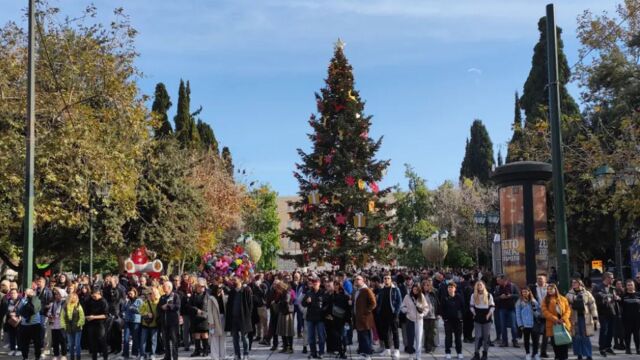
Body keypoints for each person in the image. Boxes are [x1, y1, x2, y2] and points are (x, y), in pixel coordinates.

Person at [566, 279, 598, 360]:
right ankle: (579, 354)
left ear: (580, 284)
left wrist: (595, 317)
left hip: (585, 318)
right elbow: (566, 306)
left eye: (575, 282)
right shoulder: (569, 294)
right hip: (574, 318)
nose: (573, 284)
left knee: (585, 336)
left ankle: (588, 355)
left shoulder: (587, 293)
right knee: (576, 337)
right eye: (572, 282)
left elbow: (592, 305)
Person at [224, 276, 253, 360]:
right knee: (235, 338)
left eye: (235, 280)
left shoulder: (246, 290)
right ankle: (237, 355)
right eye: (233, 280)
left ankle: (246, 354)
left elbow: (250, 305)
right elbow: (229, 305)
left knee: (244, 338)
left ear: (241, 280)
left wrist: (248, 316)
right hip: (233, 319)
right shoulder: (232, 292)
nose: (233, 281)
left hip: (243, 318)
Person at [375, 273, 402, 358]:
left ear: (391, 280)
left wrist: (396, 313)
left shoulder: (395, 289)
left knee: (395, 332)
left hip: (392, 314)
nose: (386, 280)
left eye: (388, 278)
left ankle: (397, 350)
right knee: (385, 332)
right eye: (385, 278)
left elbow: (399, 302)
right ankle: (387, 349)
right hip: (383, 314)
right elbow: (379, 302)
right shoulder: (381, 290)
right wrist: (378, 312)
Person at [541, 284, 571, 360]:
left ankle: (564, 358)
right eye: (548, 289)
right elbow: (545, 312)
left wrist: (563, 319)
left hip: (563, 324)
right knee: (556, 344)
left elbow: (568, 310)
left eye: (551, 289)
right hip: (553, 325)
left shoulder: (563, 299)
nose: (549, 291)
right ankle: (557, 357)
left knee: (564, 344)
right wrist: (555, 319)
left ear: (555, 289)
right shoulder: (545, 300)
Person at [303, 276, 329, 359]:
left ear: (319, 283)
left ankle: (321, 352)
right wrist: (307, 301)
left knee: (321, 336)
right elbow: (303, 303)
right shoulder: (309, 292)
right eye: (313, 282)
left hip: (320, 318)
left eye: (316, 282)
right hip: (310, 317)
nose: (315, 283)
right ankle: (313, 352)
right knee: (311, 337)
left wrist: (323, 311)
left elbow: (327, 304)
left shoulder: (323, 292)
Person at [401, 284, 428, 360]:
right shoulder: (407, 297)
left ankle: (418, 355)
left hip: (419, 321)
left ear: (419, 290)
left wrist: (422, 314)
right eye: (414, 289)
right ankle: (410, 355)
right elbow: (402, 307)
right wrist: (407, 311)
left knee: (419, 339)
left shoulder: (421, 296)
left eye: (416, 289)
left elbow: (426, 307)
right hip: (410, 320)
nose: (415, 291)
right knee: (410, 338)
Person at [595, 272, 619, 357]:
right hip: (602, 312)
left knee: (611, 331)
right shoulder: (598, 287)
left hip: (612, 312)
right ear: (606, 278)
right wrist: (606, 298)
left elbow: (614, 298)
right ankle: (602, 348)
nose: (613, 279)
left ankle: (608, 347)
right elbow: (597, 298)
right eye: (612, 278)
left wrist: (616, 298)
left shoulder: (612, 288)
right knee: (604, 331)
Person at [353, 274, 376, 359]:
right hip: (358, 318)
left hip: (365, 319)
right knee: (361, 336)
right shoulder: (358, 290)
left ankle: (367, 354)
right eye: (355, 279)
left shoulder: (366, 290)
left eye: (358, 279)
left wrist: (366, 312)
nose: (356, 281)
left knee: (366, 337)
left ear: (363, 281)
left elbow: (373, 303)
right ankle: (362, 353)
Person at [440, 282, 465, 360]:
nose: (450, 289)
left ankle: (459, 352)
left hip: (458, 321)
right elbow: (441, 309)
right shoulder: (444, 298)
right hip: (448, 321)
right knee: (448, 337)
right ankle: (448, 352)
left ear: (455, 288)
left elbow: (463, 308)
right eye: (449, 287)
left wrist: (461, 318)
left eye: (451, 287)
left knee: (458, 337)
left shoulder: (459, 297)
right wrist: (445, 318)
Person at [470, 281, 494, 360]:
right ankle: (476, 353)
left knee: (486, 337)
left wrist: (489, 314)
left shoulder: (488, 295)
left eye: (481, 285)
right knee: (477, 336)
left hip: (486, 317)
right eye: (478, 285)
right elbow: (471, 306)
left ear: (484, 286)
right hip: (478, 316)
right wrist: (474, 313)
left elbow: (492, 306)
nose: (479, 286)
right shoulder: (473, 295)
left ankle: (485, 353)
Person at [494, 275, 519, 348]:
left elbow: (518, 295)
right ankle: (504, 341)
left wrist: (510, 296)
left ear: (504, 280)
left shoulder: (513, 286)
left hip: (511, 308)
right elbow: (494, 298)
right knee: (503, 325)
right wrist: (500, 297)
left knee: (513, 326)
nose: (497, 282)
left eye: (499, 280)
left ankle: (515, 341)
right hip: (502, 309)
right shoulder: (497, 288)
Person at [515, 287, 540, 360]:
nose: (525, 293)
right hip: (525, 324)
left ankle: (535, 353)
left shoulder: (533, 301)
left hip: (534, 324)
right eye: (523, 292)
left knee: (535, 340)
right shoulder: (519, 302)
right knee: (526, 340)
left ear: (529, 292)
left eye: (526, 292)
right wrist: (520, 325)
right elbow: (518, 314)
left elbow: (538, 313)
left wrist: (534, 310)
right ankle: (527, 353)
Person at [158, 280, 181, 360]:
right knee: (165, 341)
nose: (163, 287)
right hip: (164, 322)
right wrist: (161, 307)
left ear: (169, 287)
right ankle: (167, 356)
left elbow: (177, 306)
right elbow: (158, 307)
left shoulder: (175, 296)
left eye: (164, 286)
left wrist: (168, 306)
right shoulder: (162, 297)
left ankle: (175, 357)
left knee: (174, 341)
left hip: (173, 323)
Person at [328, 280, 351, 359]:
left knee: (343, 336)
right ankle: (340, 350)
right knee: (337, 336)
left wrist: (348, 320)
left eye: (337, 285)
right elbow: (329, 307)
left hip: (343, 319)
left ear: (340, 286)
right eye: (334, 285)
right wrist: (329, 315)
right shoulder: (332, 295)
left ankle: (343, 352)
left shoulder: (345, 296)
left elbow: (348, 309)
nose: (335, 286)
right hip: (334, 319)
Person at [17, 288, 43, 360]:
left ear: (33, 293)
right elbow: (19, 309)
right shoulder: (23, 300)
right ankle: (25, 357)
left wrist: (30, 300)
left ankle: (37, 357)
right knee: (24, 343)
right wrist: (24, 299)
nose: (27, 294)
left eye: (29, 293)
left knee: (37, 342)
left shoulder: (36, 300)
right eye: (26, 292)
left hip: (35, 324)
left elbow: (34, 309)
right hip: (24, 325)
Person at [85, 287, 109, 360]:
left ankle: (105, 357)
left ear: (99, 293)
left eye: (94, 296)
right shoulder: (90, 300)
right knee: (93, 343)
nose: (93, 297)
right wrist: (87, 317)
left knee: (102, 342)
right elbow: (87, 311)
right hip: (91, 324)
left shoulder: (103, 301)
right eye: (92, 296)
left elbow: (105, 315)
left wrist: (94, 317)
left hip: (100, 324)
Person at [189, 278, 211, 357]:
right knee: (197, 334)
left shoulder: (207, 295)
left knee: (204, 334)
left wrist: (203, 312)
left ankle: (205, 350)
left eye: (202, 286)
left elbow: (208, 307)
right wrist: (196, 310)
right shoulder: (193, 295)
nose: (201, 288)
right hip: (195, 317)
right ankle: (197, 350)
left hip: (204, 318)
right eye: (199, 286)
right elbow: (189, 306)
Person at [61, 292, 86, 360]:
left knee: (77, 345)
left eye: (74, 297)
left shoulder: (78, 306)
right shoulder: (65, 306)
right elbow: (62, 317)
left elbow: (82, 317)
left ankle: (78, 358)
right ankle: (72, 358)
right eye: (71, 297)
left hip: (77, 328)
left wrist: (78, 324)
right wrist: (64, 326)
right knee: (70, 345)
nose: (73, 298)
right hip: (69, 328)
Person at [531, 274, 550, 358]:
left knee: (546, 335)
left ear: (545, 280)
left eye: (541, 279)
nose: (540, 280)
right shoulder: (532, 288)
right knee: (536, 334)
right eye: (538, 279)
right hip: (536, 314)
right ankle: (535, 352)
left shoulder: (550, 288)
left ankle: (543, 352)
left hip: (547, 314)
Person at [121, 287, 143, 360]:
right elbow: (123, 309)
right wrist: (125, 303)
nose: (130, 294)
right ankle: (125, 354)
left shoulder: (139, 300)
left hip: (135, 321)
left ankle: (135, 353)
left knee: (135, 338)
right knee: (126, 338)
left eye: (131, 293)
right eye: (129, 293)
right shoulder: (127, 301)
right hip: (127, 320)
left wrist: (132, 308)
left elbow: (141, 311)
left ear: (135, 293)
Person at [206, 284, 227, 360]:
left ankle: (222, 356)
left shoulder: (223, 297)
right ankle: (215, 357)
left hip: (223, 319)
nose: (221, 289)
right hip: (214, 320)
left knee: (223, 339)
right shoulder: (211, 298)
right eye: (219, 288)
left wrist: (223, 296)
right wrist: (211, 322)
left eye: (222, 288)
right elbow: (209, 311)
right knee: (214, 339)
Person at [139, 286, 160, 360]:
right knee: (143, 340)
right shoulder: (145, 302)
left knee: (153, 340)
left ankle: (152, 354)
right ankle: (142, 354)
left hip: (154, 324)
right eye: (149, 294)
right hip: (146, 324)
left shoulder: (158, 302)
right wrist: (146, 313)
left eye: (151, 294)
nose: (150, 295)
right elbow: (140, 311)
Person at [620, 279, 640, 355]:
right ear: (626, 286)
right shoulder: (623, 296)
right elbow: (620, 306)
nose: (630, 286)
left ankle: (638, 349)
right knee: (627, 335)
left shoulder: (638, 295)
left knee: (637, 335)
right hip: (627, 319)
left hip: (637, 319)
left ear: (634, 286)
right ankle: (628, 349)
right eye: (628, 285)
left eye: (631, 285)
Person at [49, 288, 69, 360]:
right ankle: (56, 354)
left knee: (63, 340)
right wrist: (50, 315)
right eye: (56, 294)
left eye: (58, 294)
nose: (56, 296)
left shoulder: (65, 303)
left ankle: (64, 355)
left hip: (62, 325)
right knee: (55, 341)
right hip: (53, 325)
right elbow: (49, 311)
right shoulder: (53, 303)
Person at [276, 281, 295, 354]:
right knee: (282, 331)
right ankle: (285, 346)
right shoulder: (282, 293)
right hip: (282, 312)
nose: (277, 290)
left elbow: (286, 301)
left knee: (288, 331)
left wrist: (280, 302)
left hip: (287, 313)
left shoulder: (287, 292)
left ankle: (290, 348)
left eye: (278, 288)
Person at [422, 278, 439, 354]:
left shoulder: (433, 293)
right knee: (426, 331)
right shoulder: (421, 294)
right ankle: (426, 346)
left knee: (432, 332)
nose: (426, 287)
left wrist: (437, 314)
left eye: (428, 285)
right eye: (425, 285)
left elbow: (437, 304)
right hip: (424, 316)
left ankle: (430, 347)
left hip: (432, 315)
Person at [3, 288, 21, 356]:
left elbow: (23, 310)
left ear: (17, 294)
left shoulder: (20, 301)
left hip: (18, 321)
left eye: (14, 293)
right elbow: (5, 310)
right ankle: (12, 349)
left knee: (19, 336)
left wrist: (16, 314)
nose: (13, 294)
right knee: (11, 336)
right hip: (10, 321)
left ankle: (20, 349)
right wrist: (9, 313)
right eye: (11, 293)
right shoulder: (8, 301)